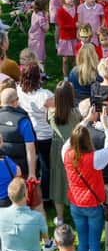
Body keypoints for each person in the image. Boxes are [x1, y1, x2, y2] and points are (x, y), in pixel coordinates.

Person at [62, 107, 108, 251]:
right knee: (94, 242)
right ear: (88, 140)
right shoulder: (95, 159)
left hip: (76, 203)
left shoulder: (66, 153)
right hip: (93, 204)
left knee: (83, 241)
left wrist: (85, 119)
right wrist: (106, 126)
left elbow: (69, 140)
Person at [17, 63, 54, 201]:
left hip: (29, 133)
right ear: (38, 77)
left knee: (33, 163)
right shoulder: (45, 95)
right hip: (45, 135)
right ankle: (45, 196)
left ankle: (31, 189)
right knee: (46, 167)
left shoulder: (18, 91)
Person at [48, 81, 82, 226]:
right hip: (73, 150)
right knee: (74, 181)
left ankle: (60, 217)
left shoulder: (50, 113)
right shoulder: (76, 114)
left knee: (58, 181)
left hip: (56, 149)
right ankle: (76, 214)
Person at [0, 178, 50, 251]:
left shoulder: (1, 214)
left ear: (9, 194)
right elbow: (47, 242)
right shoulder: (37, 217)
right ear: (26, 194)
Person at [0, 88, 37, 184]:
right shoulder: (23, 121)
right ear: (15, 102)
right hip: (20, 171)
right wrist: (32, 173)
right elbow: (30, 149)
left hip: (2, 168)